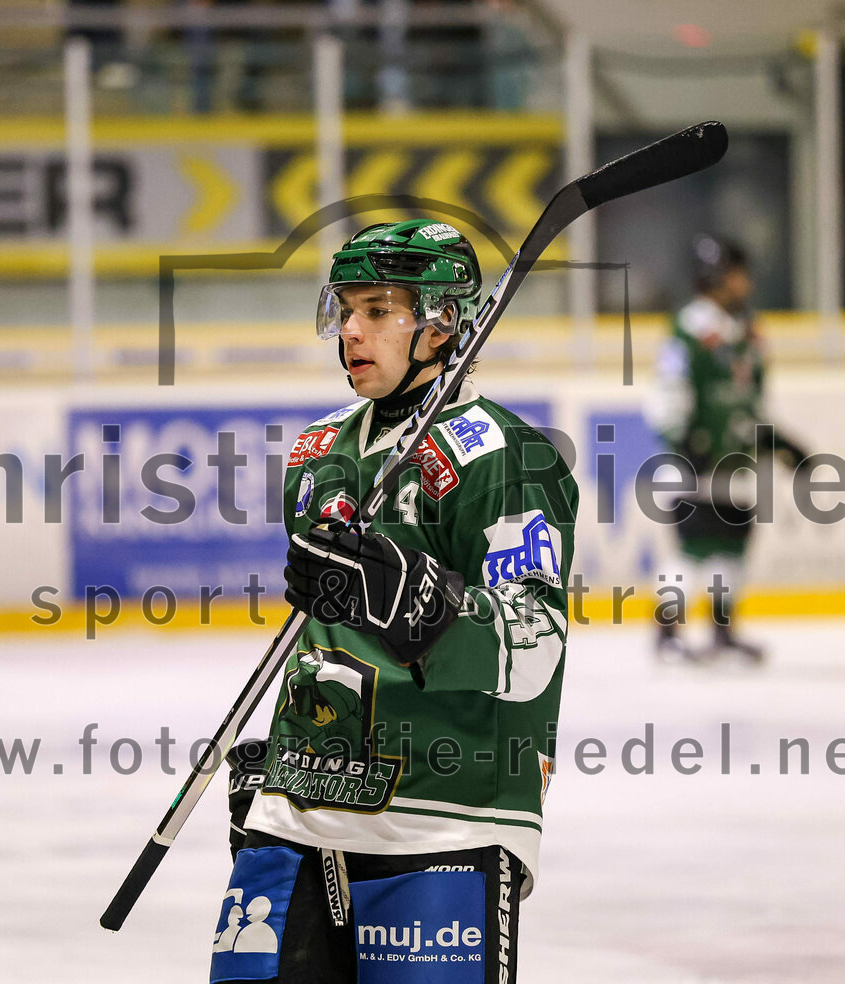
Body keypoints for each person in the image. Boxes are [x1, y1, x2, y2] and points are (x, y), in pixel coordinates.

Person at [210, 219, 578, 984]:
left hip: (444, 818)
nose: (351, 330)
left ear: (443, 323)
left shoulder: (508, 458)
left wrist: (425, 603)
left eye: (378, 310)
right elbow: (324, 636)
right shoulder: (320, 451)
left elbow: (534, 647)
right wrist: (284, 762)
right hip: (298, 812)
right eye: (346, 309)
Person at [645, 235, 808, 665]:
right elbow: (668, 393)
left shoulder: (747, 331)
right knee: (693, 551)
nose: (746, 283)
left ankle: (722, 633)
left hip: (735, 465)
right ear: (718, 276)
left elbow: (749, 402)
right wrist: (682, 442)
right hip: (694, 463)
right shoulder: (690, 329)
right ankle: (666, 633)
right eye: (739, 273)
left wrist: (779, 443)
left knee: (733, 547)